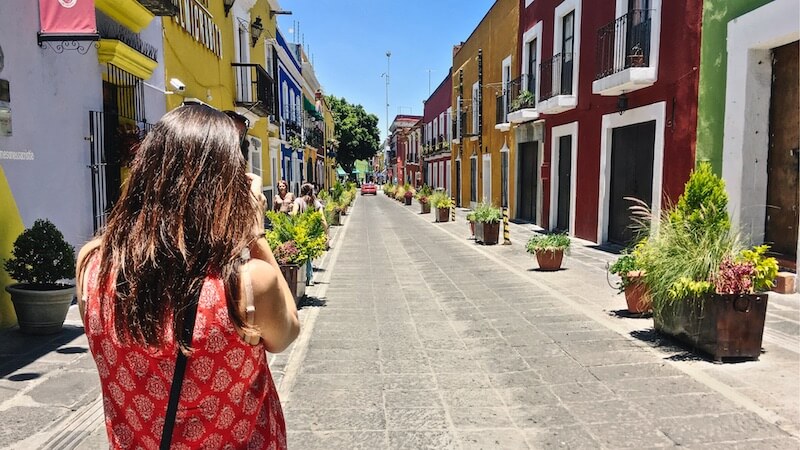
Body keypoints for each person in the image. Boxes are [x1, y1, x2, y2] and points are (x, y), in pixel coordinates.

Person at [75, 105, 299, 449]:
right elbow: (288, 331)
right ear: (223, 189)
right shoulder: (247, 285)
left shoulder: (92, 264)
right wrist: (256, 235)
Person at [292, 183, 328, 285]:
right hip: (313, 230)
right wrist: (326, 234)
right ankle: (309, 277)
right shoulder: (316, 203)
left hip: (300, 230)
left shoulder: (298, 201)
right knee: (309, 254)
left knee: (304, 253)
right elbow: (322, 219)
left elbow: (294, 215)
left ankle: (307, 276)